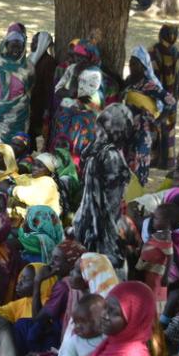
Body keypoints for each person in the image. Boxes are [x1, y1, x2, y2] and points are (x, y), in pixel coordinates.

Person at [73, 105, 133, 270]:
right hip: (101, 230)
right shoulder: (110, 156)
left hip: (87, 223)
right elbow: (110, 202)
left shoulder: (94, 151)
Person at [122, 46, 169, 185]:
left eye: (135, 64)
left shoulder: (149, 85)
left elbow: (170, 101)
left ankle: (137, 197)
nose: (131, 66)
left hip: (143, 131)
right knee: (127, 162)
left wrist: (159, 121)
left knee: (138, 164)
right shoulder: (130, 81)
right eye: (130, 63)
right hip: (129, 129)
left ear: (143, 66)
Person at [149, 24, 179, 169]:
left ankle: (155, 158)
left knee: (157, 125)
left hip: (158, 95)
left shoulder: (153, 52)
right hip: (171, 95)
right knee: (168, 127)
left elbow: (152, 74)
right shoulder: (176, 53)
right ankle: (167, 161)